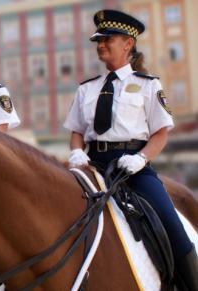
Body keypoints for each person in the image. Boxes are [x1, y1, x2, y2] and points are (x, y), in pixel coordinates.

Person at [63, 9, 197, 290]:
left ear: (128, 44)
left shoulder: (148, 85)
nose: (100, 45)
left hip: (132, 167)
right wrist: (76, 153)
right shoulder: (87, 89)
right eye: (98, 40)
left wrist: (141, 158)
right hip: (90, 164)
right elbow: (77, 132)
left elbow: (161, 132)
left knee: (172, 226)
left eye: (107, 39)